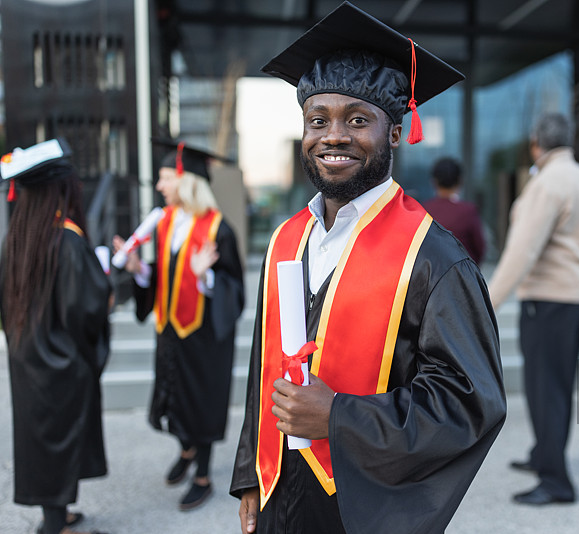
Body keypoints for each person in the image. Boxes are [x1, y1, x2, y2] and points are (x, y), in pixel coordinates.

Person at [229, 3, 506, 533]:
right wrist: (250, 471)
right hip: (277, 491)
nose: (334, 136)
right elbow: (265, 361)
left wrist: (339, 417)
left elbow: (470, 405)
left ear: (395, 133)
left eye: (358, 120)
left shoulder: (434, 258)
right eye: (318, 120)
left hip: (362, 504)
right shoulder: (288, 237)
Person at [113, 140, 244, 509]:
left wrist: (207, 278)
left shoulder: (220, 230)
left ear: (186, 181)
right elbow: (164, 274)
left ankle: (202, 475)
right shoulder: (165, 222)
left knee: (200, 402)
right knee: (174, 399)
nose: (159, 186)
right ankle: (186, 450)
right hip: (170, 330)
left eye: (165, 177)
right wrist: (141, 271)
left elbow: (234, 291)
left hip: (204, 338)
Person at [488, 112, 579, 506]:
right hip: (574, 299)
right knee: (558, 385)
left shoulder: (547, 183)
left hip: (548, 299)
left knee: (545, 390)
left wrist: (487, 304)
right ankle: (544, 455)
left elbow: (523, 251)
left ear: (538, 143)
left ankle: (556, 481)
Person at [0, 139, 111, 534]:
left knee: (42, 440)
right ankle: (54, 527)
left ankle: (57, 514)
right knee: (60, 440)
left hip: (28, 358)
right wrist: (105, 289)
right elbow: (85, 309)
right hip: (63, 361)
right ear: (61, 190)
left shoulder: (18, 239)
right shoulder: (66, 240)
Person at [422, 156, 486, 264]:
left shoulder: (423, 209)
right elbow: (479, 248)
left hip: (429, 276)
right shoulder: (468, 211)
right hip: (463, 275)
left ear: (434, 182)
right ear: (460, 181)